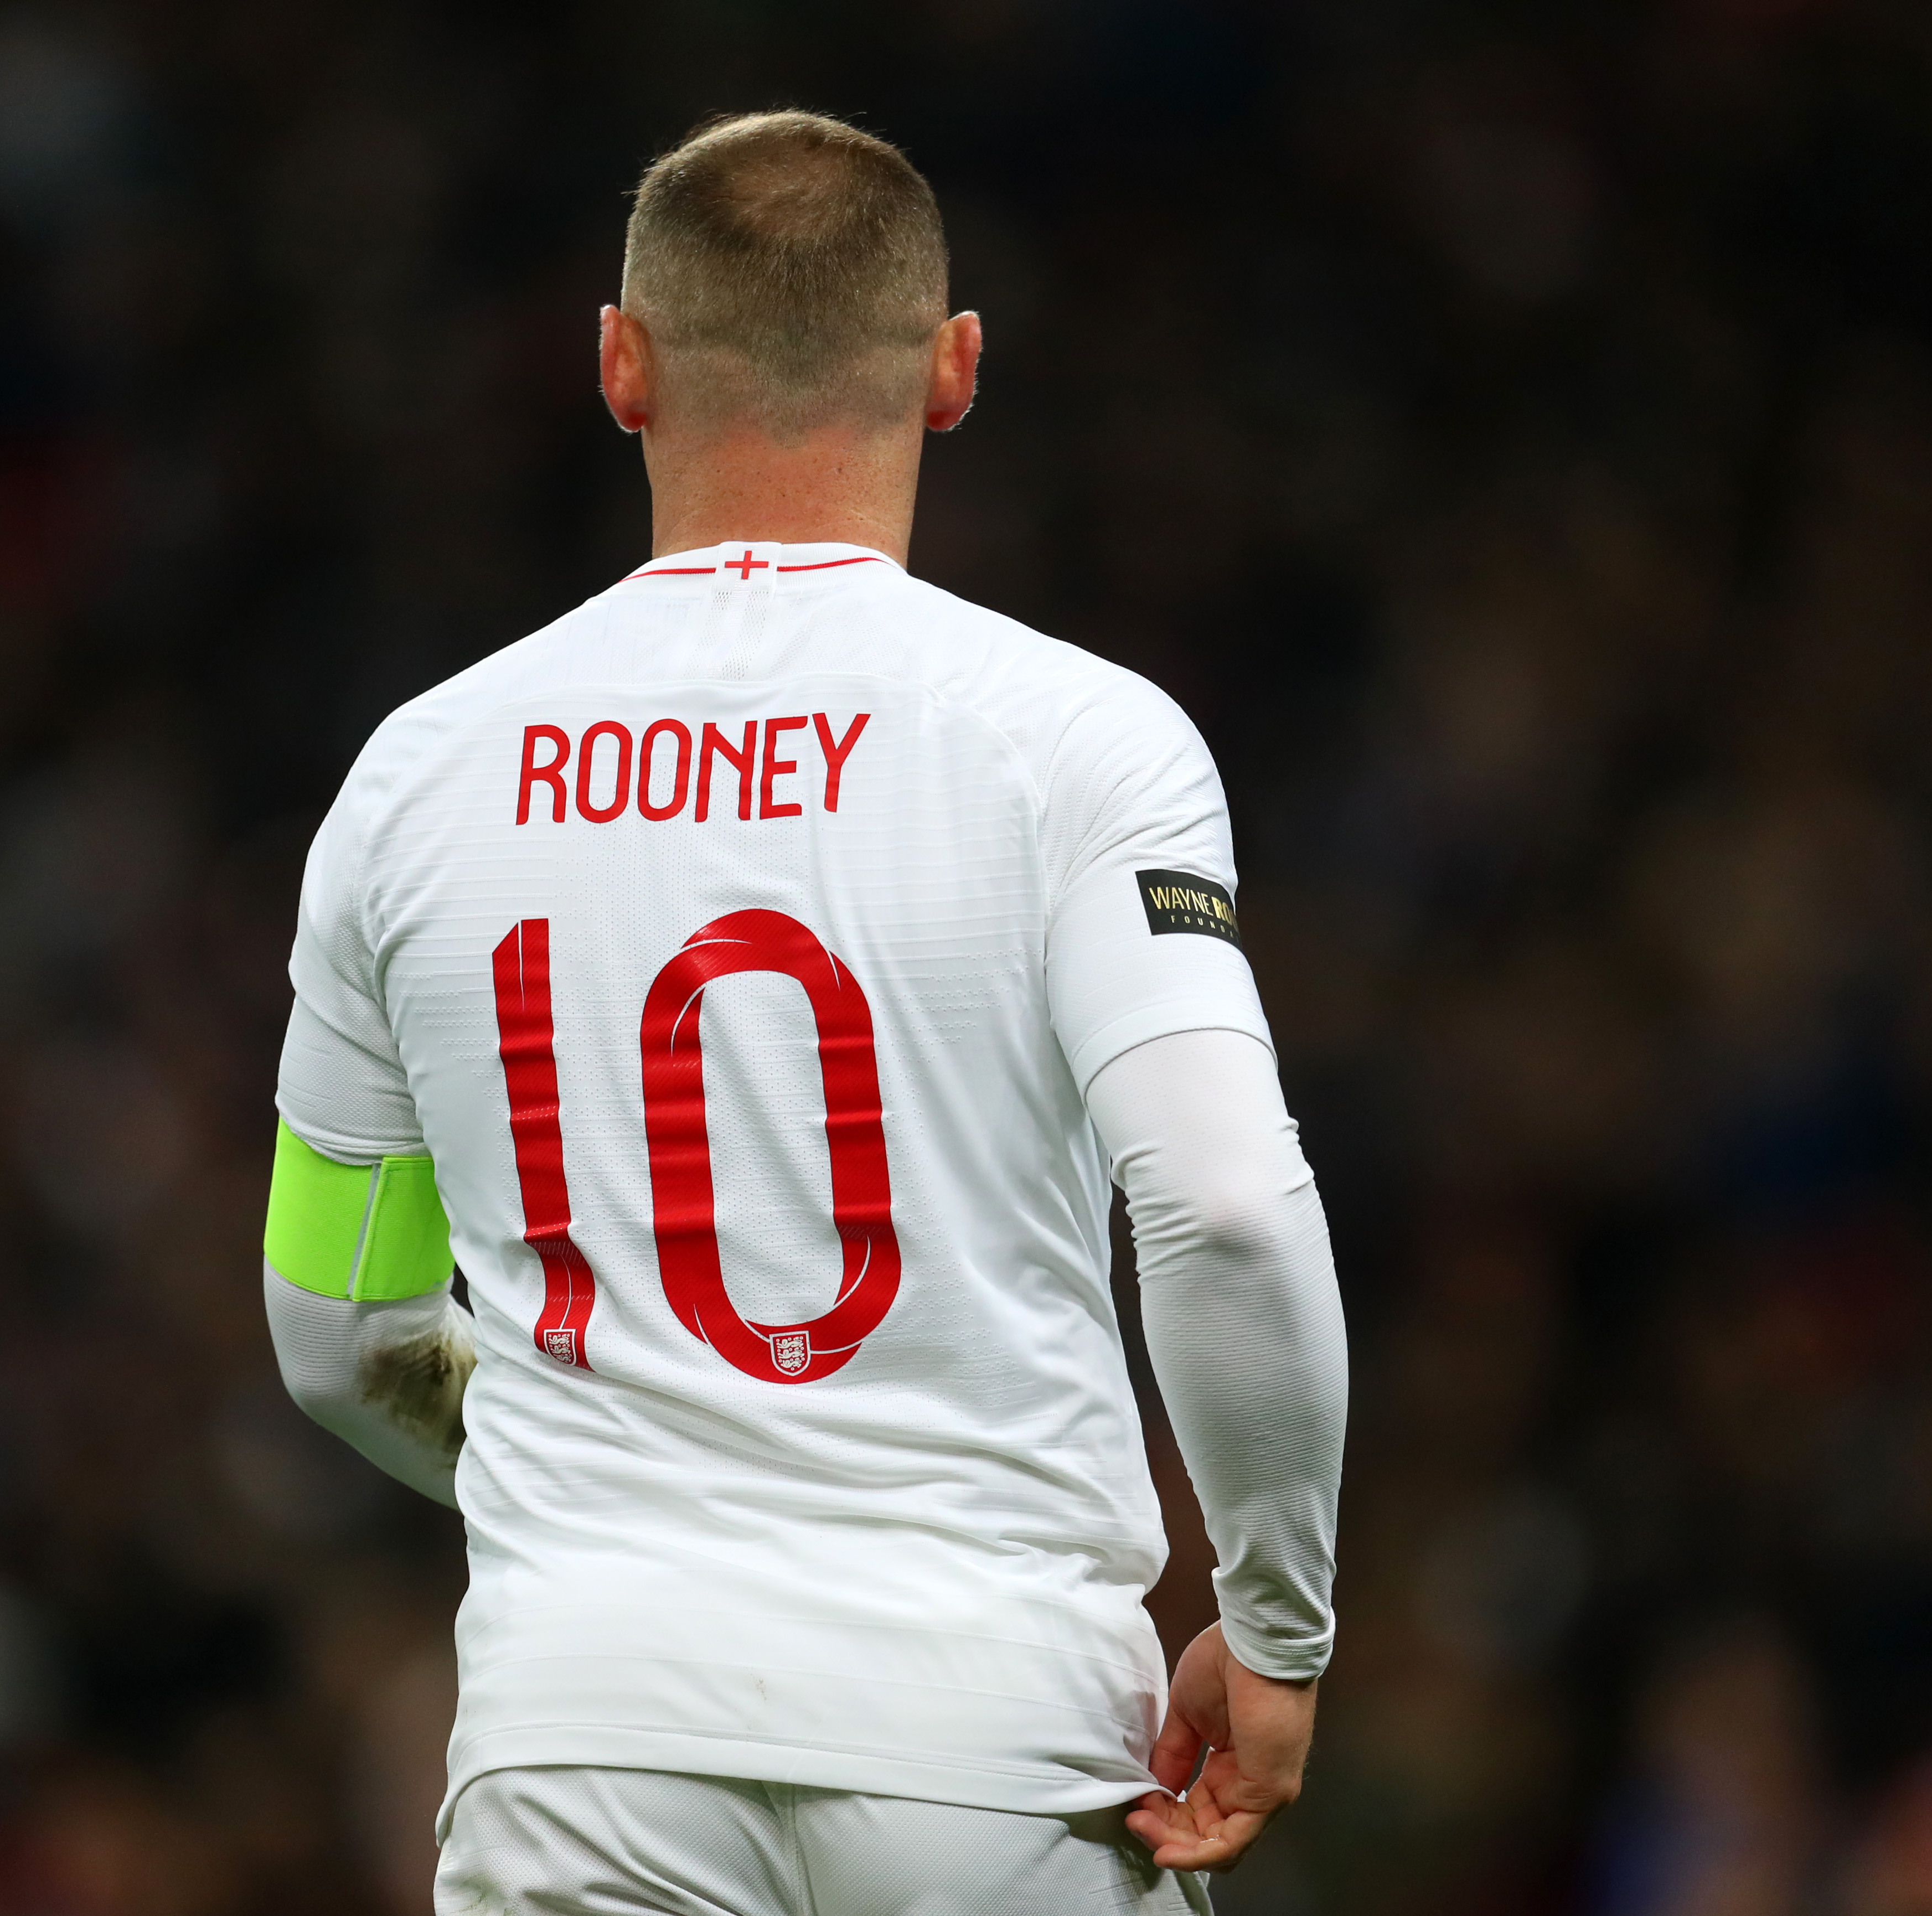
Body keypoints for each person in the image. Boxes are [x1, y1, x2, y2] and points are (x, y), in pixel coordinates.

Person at [261, 110, 1346, 1914]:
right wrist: (1274, 1619)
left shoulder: (414, 780)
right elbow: (1227, 1208)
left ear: (619, 364)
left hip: (581, 1737)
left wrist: (614, 1460)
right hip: (993, 1737)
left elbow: (332, 1328)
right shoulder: (1081, 743)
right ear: (950, 372)